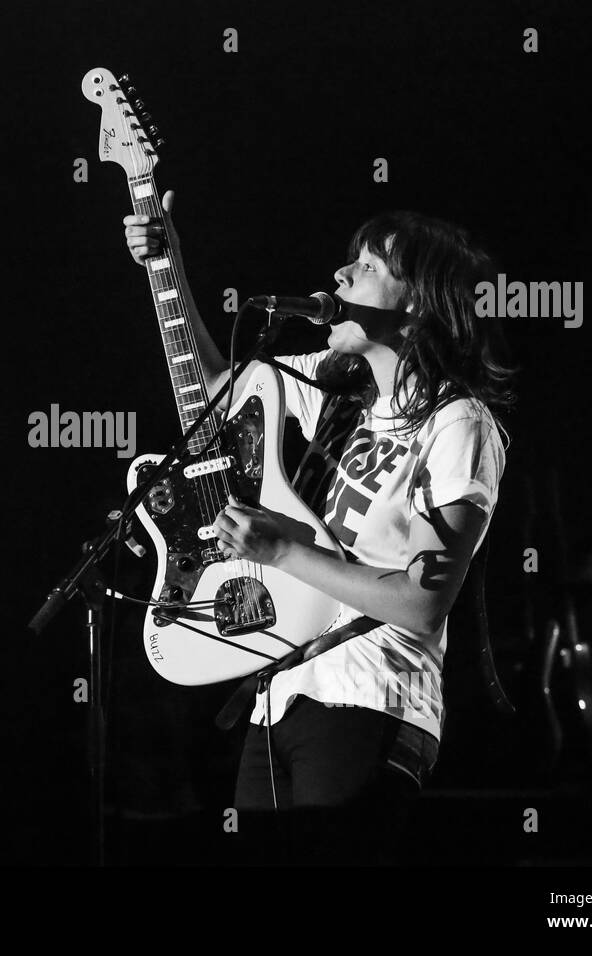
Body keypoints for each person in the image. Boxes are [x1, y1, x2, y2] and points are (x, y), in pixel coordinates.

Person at [123, 190, 516, 863]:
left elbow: (422, 605)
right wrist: (169, 268)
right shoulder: (342, 393)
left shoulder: (458, 425)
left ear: (417, 302)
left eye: (364, 267)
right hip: (280, 693)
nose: (338, 278)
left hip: (371, 697)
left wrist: (279, 550)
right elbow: (215, 393)